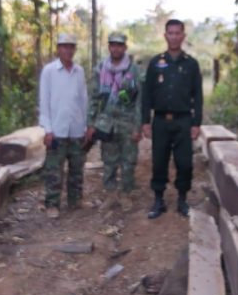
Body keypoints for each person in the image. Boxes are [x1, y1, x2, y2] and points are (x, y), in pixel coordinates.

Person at [141, 19, 203, 219]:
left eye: (177, 33)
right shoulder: (155, 63)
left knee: (184, 162)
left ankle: (182, 200)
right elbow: (147, 94)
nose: (174, 37)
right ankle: (158, 200)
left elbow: (198, 96)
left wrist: (196, 123)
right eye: (171, 33)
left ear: (183, 36)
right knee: (159, 161)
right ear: (165, 35)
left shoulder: (191, 64)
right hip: (160, 121)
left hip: (183, 120)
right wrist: (145, 121)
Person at [86, 32, 142, 212]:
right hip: (107, 123)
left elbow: (140, 101)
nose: (116, 48)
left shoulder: (134, 70)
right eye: (113, 45)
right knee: (108, 161)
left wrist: (138, 126)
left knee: (128, 161)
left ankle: (125, 194)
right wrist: (90, 123)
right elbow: (94, 98)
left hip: (127, 123)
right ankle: (111, 194)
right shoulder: (100, 69)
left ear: (125, 47)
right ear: (109, 47)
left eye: (119, 45)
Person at [39, 33, 90, 219]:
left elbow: (83, 100)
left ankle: (75, 201)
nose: (68, 50)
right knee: (54, 170)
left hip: (76, 128)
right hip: (57, 130)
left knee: (76, 168)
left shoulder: (79, 71)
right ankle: (52, 204)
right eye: (64, 47)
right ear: (58, 49)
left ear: (74, 49)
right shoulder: (49, 71)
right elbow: (44, 102)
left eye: (71, 47)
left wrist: (86, 126)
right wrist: (47, 129)